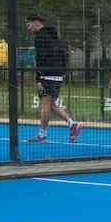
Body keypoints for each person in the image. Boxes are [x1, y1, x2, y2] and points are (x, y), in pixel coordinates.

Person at [25, 14, 81, 143]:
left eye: (29, 25)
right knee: (51, 105)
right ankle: (72, 124)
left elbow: (40, 59)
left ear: (36, 22)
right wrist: (62, 73)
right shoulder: (55, 38)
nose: (28, 28)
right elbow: (62, 57)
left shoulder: (40, 38)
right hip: (58, 75)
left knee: (45, 104)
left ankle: (42, 135)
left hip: (47, 75)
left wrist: (38, 79)